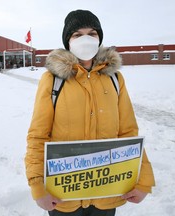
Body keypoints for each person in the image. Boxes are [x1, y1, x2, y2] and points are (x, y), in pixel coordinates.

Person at [25, 9, 155, 216]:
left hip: (107, 192)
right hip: (63, 196)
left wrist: (144, 180)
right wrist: (37, 185)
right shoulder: (53, 80)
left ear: (99, 38)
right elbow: (38, 135)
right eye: (77, 34)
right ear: (68, 41)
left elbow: (128, 132)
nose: (85, 39)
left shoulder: (114, 79)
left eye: (92, 34)